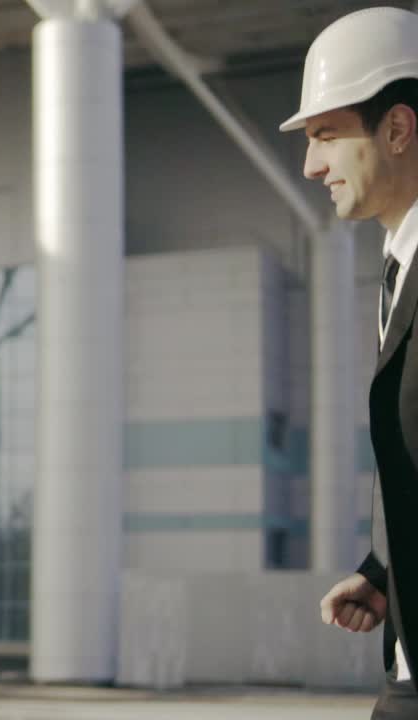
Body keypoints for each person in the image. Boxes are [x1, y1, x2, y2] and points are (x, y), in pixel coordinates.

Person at [283, 7, 418, 717]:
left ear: (396, 129)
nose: (311, 166)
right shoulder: (399, 268)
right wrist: (385, 568)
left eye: (326, 135)